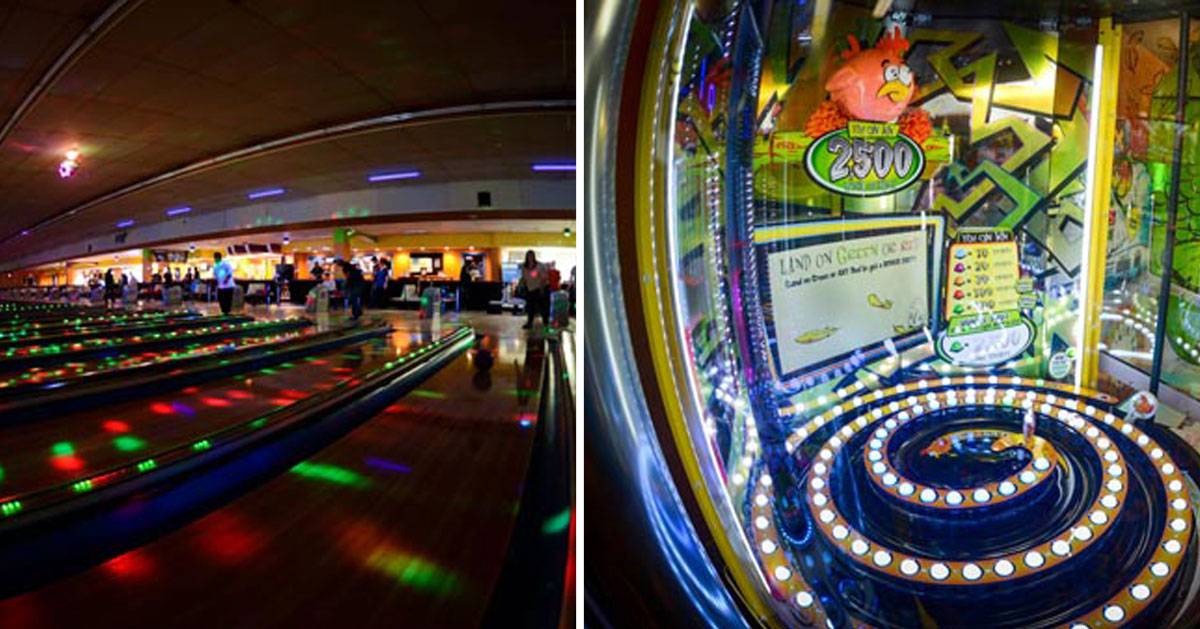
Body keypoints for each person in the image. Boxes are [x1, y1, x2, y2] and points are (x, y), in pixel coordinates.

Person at [517, 250, 549, 330]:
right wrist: (520, 283)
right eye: (528, 256)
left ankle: (546, 322)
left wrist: (541, 289)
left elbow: (544, 278)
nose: (530, 258)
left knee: (543, 307)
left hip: (540, 288)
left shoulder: (539, 266)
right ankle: (529, 323)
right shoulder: (525, 267)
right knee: (530, 307)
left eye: (531, 256)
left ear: (534, 257)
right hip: (530, 289)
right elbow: (525, 277)